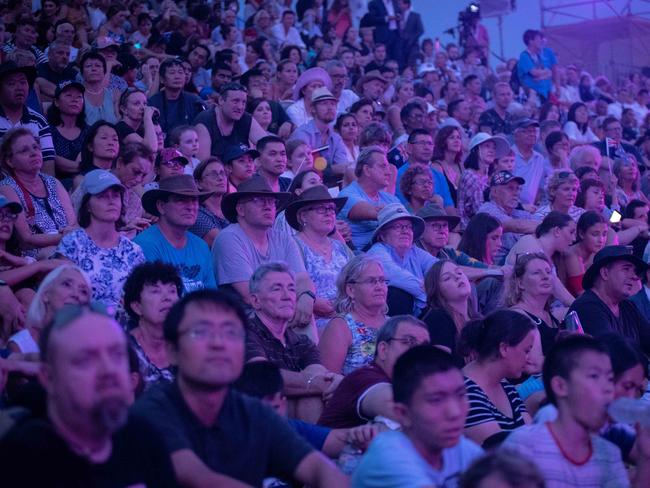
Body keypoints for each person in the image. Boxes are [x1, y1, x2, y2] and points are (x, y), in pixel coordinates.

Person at [131, 289, 347, 486]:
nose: (218, 343)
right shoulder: (151, 412)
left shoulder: (253, 413)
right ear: (172, 351)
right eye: (201, 333)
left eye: (231, 333)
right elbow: (197, 477)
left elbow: (318, 467)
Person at [0, 304, 178, 487]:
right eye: (85, 359)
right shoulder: (23, 457)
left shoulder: (143, 437)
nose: (109, 370)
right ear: (48, 378)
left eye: (117, 355)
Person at [502, 335, 650, 487]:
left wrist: (646, 458)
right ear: (560, 386)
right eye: (594, 376)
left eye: (609, 379)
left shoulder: (609, 455)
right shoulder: (525, 445)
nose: (608, 388)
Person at [351, 345, 483, 487]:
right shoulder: (389, 456)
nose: (455, 412)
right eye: (436, 400)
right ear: (403, 413)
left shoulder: (460, 448)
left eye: (460, 395)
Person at [213, 175, 315, 325]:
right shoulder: (228, 238)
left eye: (272, 202)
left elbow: (301, 279)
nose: (268, 206)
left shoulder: (284, 238)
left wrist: (307, 297)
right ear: (240, 209)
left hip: (282, 311)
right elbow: (251, 295)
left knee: (306, 316)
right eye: (258, 200)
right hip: (246, 321)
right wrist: (290, 308)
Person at [246, 263, 341, 422]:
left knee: (311, 396)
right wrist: (325, 383)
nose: (287, 296)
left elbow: (319, 374)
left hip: (289, 418)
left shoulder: (302, 342)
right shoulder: (245, 331)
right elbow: (263, 378)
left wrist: (330, 382)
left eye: (291, 289)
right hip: (251, 418)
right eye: (277, 289)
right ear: (255, 301)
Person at [54, 170, 145, 311]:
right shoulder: (73, 244)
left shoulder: (133, 251)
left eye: (115, 196)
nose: (111, 201)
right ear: (87, 205)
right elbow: (62, 298)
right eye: (102, 196)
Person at [319, 315, 430, 428]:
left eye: (424, 347)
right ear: (383, 349)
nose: (418, 351)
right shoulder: (363, 378)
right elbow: (392, 404)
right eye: (408, 342)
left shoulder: (405, 385)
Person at [459, 309, 535, 447]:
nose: (529, 359)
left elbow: (532, 439)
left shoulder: (506, 388)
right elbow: (501, 453)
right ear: (504, 348)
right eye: (526, 351)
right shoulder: (465, 392)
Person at [0, 127, 76, 258]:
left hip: (70, 243)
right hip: (35, 254)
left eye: (36, 147)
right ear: (10, 161)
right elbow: (26, 239)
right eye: (24, 150)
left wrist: (70, 236)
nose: (34, 153)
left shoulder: (53, 182)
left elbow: (73, 224)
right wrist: (64, 238)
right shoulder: (7, 188)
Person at [135, 175, 217, 293]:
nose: (190, 207)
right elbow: (154, 301)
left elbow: (211, 296)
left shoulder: (201, 246)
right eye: (181, 200)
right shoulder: (144, 245)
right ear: (161, 206)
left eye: (194, 200)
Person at [285, 185, 351, 329]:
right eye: (321, 208)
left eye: (331, 209)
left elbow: (359, 277)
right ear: (303, 216)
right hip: (312, 322)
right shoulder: (292, 245)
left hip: (348, 315)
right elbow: (286, 286)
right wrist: (313, 302)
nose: (329, 213)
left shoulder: (340, 246)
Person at [568, 245, 650, 356]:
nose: (634, 276)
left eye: (634, 271)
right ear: (605, 273)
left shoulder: (627, 306)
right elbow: (613, 354)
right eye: (626, 269)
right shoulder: (587, 308)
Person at [319, 255, 388, 375]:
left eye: (382, 280)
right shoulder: (340, 327)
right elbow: (326, 381)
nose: (379, 287)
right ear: (351, 290)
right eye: (371, 281)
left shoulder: (393, 324)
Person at [367, 203, 436, 313]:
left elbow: (438, 268)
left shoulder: (414, 251)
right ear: (382, 235)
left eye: (408, 226)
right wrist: (433, 289)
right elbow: (396, 276)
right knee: (398, 295)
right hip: (391, 318)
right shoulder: (376, 252)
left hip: (420, 312)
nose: (405, 231)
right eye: (397, 226)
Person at [7, 264, 91, 354]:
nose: (76, 294)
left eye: (83, 291)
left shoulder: (91, 348)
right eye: (67, 284)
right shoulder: (21, 345)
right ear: (45, 294)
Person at [123, 261, 182, 388]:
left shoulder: (187, 345)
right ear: (137, 307)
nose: (167, 297)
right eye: (156, 291)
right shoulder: (123, 350)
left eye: (172, 291)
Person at [338, 146, 399, 251]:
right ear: (366, 170)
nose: (389, 172)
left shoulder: (390, 199)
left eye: (388, 167)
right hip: (363, 258)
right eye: (383, 166)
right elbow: (379, 213)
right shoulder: (347, 195)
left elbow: (406, 221)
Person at [0, 61, 56, 174]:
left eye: (23, 82)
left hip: (33, 185)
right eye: (11, 83)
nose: (19, 88)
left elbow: (48, 162)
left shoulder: (39, 121)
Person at [421, 260, 478, 365]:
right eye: (447, 278)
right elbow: (440, 370)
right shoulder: (437, 319)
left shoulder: (477, 318)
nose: (457, 277)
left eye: (459, 273)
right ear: (437, 290)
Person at [290, 87, 349, 185]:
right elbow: (303, 167)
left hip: (329, 184)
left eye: (333, 104)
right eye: (324, 103)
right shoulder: (303, 134)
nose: (330, 107)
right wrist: (333, 169)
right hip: (303, 184)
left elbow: (343, 167)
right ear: (313, 109)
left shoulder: (336, 138)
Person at [476, 171, 539, 264]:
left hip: (516, 262)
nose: (516, 193)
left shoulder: (517, 213)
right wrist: (548, 226)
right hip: (494, 266)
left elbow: (539, 222)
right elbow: (517, 226)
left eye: (517, 189)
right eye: (510, 188)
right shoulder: (487, 210)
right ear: (494, 192)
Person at [505, 252, 562, 354]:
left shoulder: (552, 316)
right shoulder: (518, 316)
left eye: (548, 272)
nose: (545, 277)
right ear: (520, 283)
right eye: (537, 273)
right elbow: (531, 364)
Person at [194, 82, 266, 161]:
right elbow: (203, 165)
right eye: (235, 101)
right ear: (221, 100)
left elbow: (269, 145)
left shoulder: (244, 117)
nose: (240, 107)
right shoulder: (205, 121)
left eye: (243, 102)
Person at [458, 133, 510, 228]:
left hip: (490, 224)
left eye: (494, 148)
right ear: (476, 150)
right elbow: (479, 212)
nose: (491, 150)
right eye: (487, 146)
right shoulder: (470, 176)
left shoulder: (491, 176)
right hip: (472, 228)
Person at [148, 58, 204, 135]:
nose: (177, 76)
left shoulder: (195, 101)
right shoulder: (154, 102)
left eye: (180, 72)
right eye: (172, 73)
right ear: (162, 79)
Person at [47, 80, 88, 180]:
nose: (75, 100)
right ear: (56, 102)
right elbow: (51, 158)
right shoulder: (47, 130)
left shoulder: (89, 131)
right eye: (69, 95)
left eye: (79, 96)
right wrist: (81, 166)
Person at [562, 211, 609, 296]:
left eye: (604, 234)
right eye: (595, 234)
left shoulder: (596, 254)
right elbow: (582, 294)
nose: (601, 240)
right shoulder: (571, 255)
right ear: (581, 234)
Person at [190, 157, 229, 248]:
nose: (220, 178)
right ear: (198, 183)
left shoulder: (232, 210)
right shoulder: (196, 214)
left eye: (222, 173)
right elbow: (223, 243)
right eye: (213, 174)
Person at [79, 51, 120, 126]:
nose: (93, 69)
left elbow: (118, 118)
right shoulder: (77, 95)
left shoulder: (114, 94)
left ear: (104, 71)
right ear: (82, 72)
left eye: (98, 66)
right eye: (88, 66)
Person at [511, 118, 547, 206]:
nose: (532, 134)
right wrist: (520, 207)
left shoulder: (540, 158)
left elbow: (540, 188)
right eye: (526, 131)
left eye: (534, 131)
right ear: (516, 136)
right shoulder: (508, 156)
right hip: (511, 207)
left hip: (531, 209)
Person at [517, 29, 556, 102]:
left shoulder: (538, 56)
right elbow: (534, 73)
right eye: (538, 39)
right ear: (531, 41)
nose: (541, 41)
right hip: (531, 95)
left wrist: (541, 76)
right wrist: (544, 73)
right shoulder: (524, 56)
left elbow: (550, 73)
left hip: (544, 93)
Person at [115, 88, 158, 154]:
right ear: (124, 109)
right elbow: (151, 148)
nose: (143, 108)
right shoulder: (121, 127)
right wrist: (147, 118)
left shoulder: (140, 130)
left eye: (145, 103)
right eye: (136, 104)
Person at [430, 125, 463, 209]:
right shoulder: (436, 167)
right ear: (443, 141)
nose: (457, 141)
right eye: (452, 137)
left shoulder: (462, 166)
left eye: (458, 137)